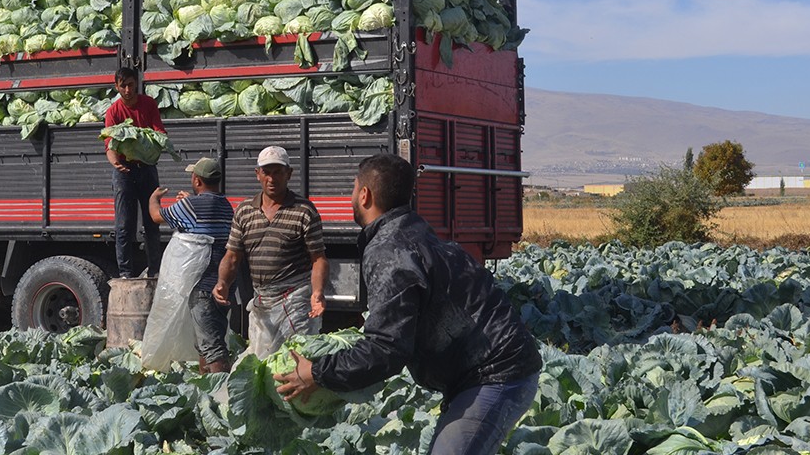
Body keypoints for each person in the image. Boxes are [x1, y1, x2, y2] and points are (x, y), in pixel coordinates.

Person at [274, 153, 542, 455]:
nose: (351, 196)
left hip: (497, 374)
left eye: (353, 189)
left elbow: (388, 347)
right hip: (488, 370)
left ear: (364, 195)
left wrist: (319, 372)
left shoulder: (390, 249)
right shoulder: (411, 230)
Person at [213, 145, 327, 356]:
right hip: (263, 301)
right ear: (258, 175)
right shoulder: (245, 211)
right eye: (266, 172)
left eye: (278, 172)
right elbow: (232, 256)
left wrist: (317, 292)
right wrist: (222, 283)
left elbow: (318, 258)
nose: (272, 179)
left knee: (295, 358)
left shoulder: (304, 210)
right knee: (261, 362)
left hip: (295, 299)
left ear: (289, 174)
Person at [148, 157, 235, 373]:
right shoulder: (225, 206)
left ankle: (223, 391)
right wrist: (189, 201)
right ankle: (207, 388)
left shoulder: (191, 205)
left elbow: (156, 216)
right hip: (222, 285)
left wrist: (154, 198)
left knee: (211, 346)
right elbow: (202, 222)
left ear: (197, 180)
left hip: (202, 287)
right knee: (206, 340)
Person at [104, 66, 166, 278]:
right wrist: (115, 163)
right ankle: (125, 273)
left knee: (152, 223)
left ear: (136, 83)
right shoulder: (113, 111)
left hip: (147, 168)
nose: (128, 90)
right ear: (117, 87)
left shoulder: (148, 104)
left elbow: (159, 131)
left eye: (131, 85)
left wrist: (153, 140)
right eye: (123, 86)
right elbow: (110, 144)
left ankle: (155, 271)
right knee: (124, 226)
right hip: (124, 171)